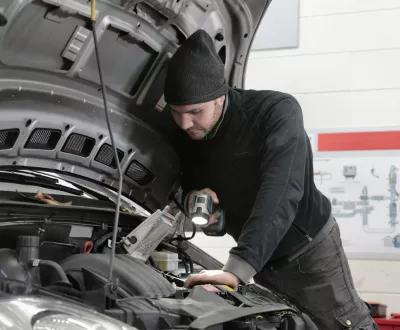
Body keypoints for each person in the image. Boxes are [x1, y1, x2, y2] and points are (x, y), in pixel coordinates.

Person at [164, 29, 377, 329]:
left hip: (309, 252)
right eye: (176, 113)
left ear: (220, 97)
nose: (185, 123)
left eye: (195, 112)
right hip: (260, 258)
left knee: (343, 325)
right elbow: (183, 183)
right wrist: (198, 205)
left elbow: (280, 193)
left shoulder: (275, 113)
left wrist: (237, 269)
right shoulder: (186, 135)